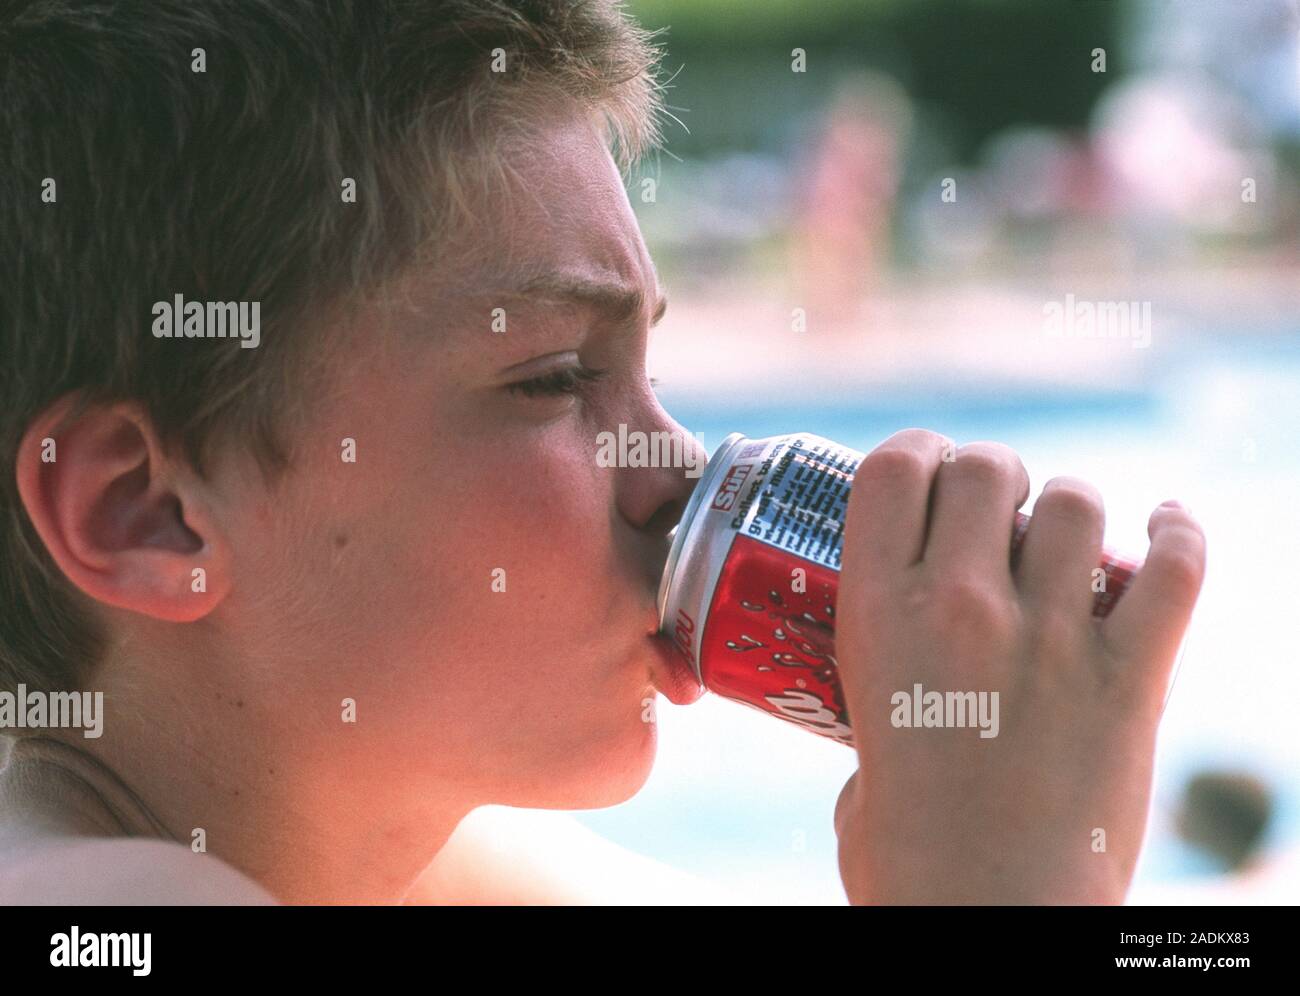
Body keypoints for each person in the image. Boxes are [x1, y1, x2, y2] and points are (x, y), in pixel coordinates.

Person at [0, 0, 1206, 905]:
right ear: (146, 513)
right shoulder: (97, 904)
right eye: (552, 379)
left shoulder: (394, 859)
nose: (679, 474)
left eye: (647, 376)